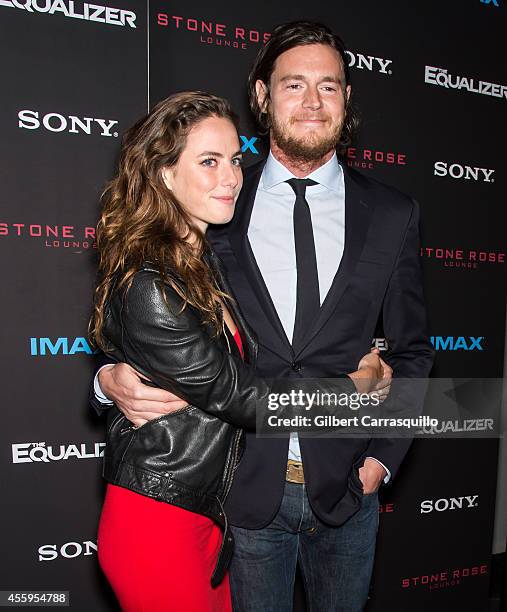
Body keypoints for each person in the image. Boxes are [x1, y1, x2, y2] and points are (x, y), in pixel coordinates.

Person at [90, 90, 391, 612]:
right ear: (163, 174)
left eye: (233, 159)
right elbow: (244, 396)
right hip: (160, 517)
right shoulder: (150, 281)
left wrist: (109, 377)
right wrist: (353, 390)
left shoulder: (203, 261)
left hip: (209, 512)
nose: (231, 177)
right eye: (208, 162)